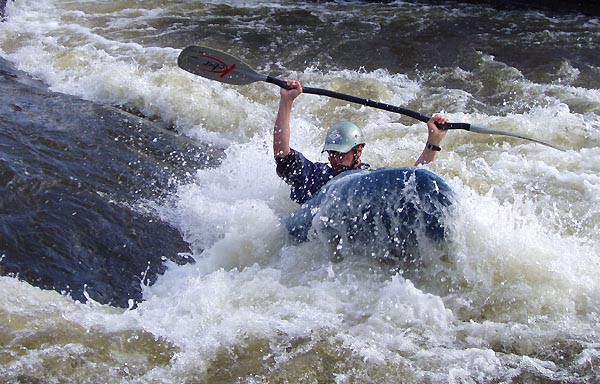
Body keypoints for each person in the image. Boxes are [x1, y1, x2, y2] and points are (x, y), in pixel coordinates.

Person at [273, 79, 449, 205]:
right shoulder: (316, 174)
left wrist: (433, 142)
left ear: (359, 150)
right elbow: (282, 153)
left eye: (341, 153)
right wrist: (286, 102)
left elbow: (411, 181)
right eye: (331, 153)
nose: (335, 158)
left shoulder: (369, 177)